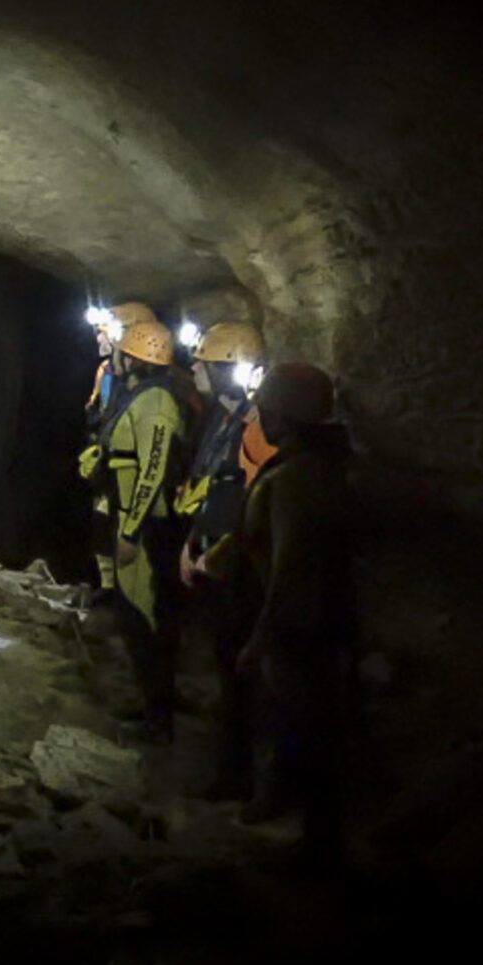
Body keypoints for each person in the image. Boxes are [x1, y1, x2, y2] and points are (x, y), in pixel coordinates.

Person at [196, 362, 356, 872]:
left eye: (266, 409)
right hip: (306, 619)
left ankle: (319, 847)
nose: (260, 417)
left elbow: (290, 563)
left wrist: (261, 636)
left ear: (285, 415)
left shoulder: (298, 479)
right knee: (295, 724)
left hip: (299, 625)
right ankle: (291, 812)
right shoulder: (308, 469)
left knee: (307, 730)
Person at [172, 321, 267, 798]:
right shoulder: (221, 419)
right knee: (224, 667)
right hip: (211, 559)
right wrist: (191, 543)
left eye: (203, 362)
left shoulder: (257, 428)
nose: (193, 367)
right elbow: (209, 486)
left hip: (241, 573)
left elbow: (258, 508)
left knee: (241, 678)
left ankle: (241, 776)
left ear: (229, 369)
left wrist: (219, 556)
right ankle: (228, 764)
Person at [99, 319, 188, 745]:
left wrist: (130, 532)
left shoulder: (157, 403)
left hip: (149, 525)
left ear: (134, 355)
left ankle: (160, 720)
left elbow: (152, 469)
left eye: (122, 346)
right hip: (130, 513)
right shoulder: (142, 395)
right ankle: (151, 705)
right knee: (133, 617)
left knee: (148, 619)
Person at [80, 301, 158, 607]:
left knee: (130, 541)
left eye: (107, 332)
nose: (100, 339)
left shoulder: (155, 388)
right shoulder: (107, 372)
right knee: (101, 529)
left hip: (136, 475)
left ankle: (131, 606)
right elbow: (97, 411)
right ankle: (108, 589)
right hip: (109, 466)